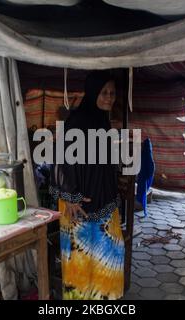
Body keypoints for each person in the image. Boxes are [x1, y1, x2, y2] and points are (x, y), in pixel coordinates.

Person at [50, 71, 124, 300]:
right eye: (104, 93)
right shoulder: (78, 121)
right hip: (78, 204)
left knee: (109, 255)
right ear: (93, 93)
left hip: (103, 200)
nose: (109, 97)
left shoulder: (101, 120)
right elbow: (62, 160)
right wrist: (70, 196)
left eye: (112, 93)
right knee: (81, 262)